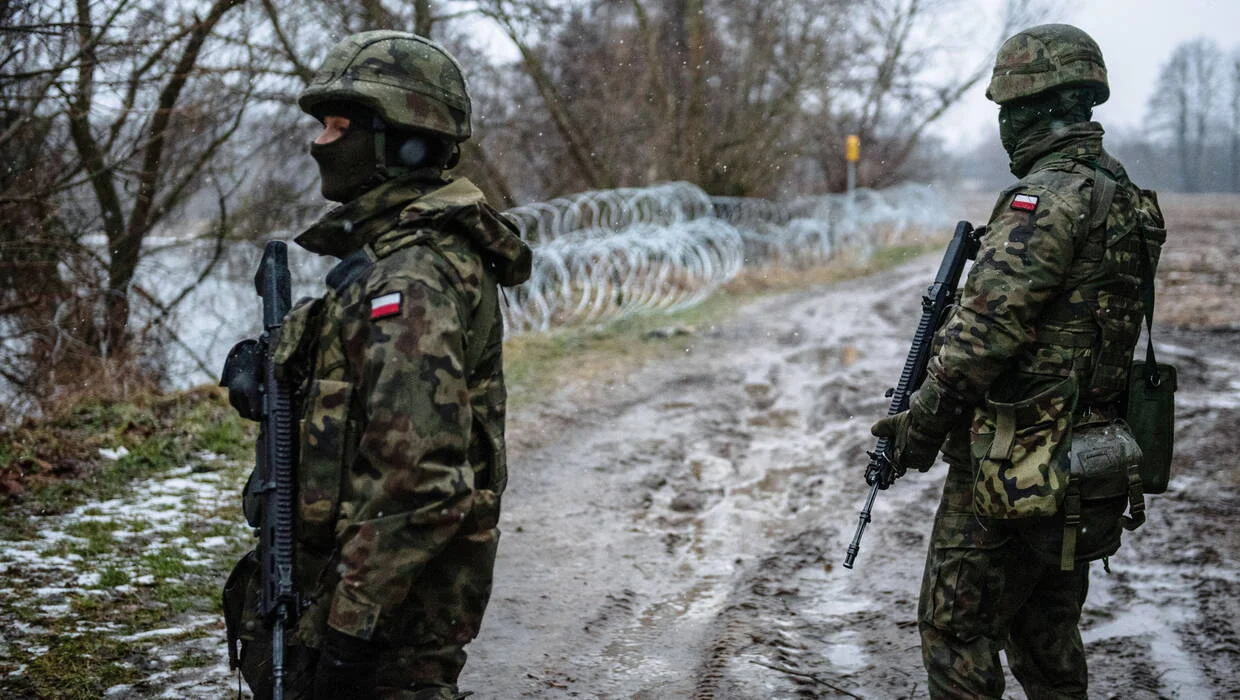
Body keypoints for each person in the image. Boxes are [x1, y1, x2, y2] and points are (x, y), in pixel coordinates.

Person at [224, 30, 532, 700]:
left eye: (342, 126)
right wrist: (280, 376)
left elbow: (422, 482)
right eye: (323, 125)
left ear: (406, 141)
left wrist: (348, 633)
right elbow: (369, 407)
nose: (321, 142)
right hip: (356, 581)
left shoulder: (411, 277)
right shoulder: (385, 260)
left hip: (390, 610)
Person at [870, 24, 1165, 699]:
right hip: (1088, 460)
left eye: (1008, 109)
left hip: (1012, 465)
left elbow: (978, 342)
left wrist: (913, 430)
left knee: (956, 631)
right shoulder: (1120, 197)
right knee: (1044, 634)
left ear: (1034, 107)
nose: (1003, 126)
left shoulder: (1047, 200)